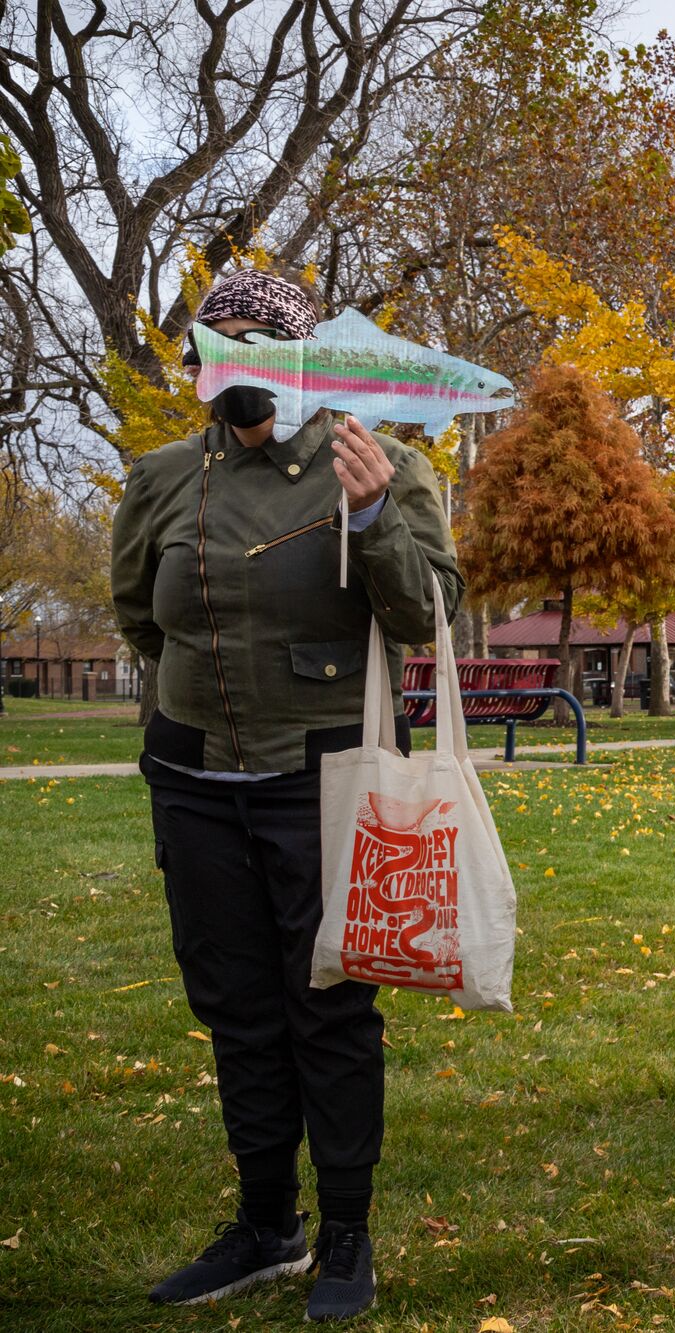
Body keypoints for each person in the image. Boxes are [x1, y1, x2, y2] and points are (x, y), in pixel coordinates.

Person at [110, 268, 462, 1321]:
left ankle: (346, 1231)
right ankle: (267, 1223)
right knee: (237, 1009)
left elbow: (426, 616)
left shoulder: (380, 462)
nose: (234, 370)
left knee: (328, 1007)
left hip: (323, 775)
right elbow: (141, 613)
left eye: (256, 345)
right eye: (214, 348)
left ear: (301, 358)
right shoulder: (164, 476)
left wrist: (374, 518)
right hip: (194, 775)